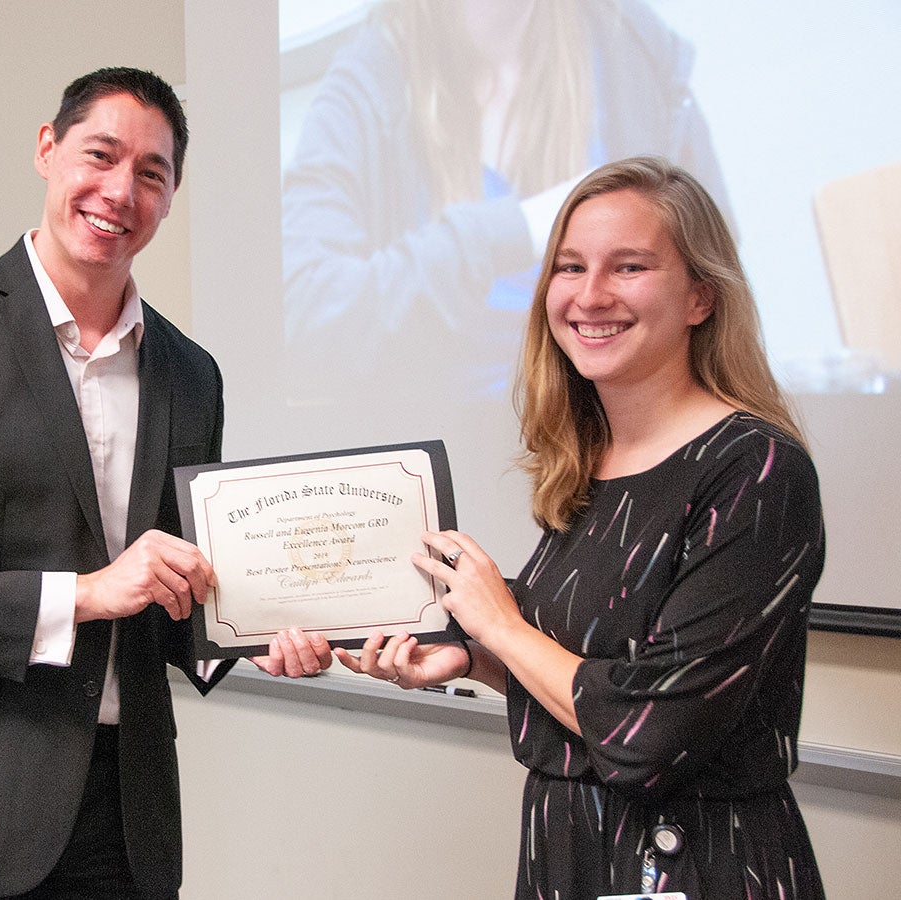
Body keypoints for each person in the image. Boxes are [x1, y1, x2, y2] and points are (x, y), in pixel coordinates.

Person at [0, 67, 330, 900]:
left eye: (151, 173)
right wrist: (84, 594)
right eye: (101, 155)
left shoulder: (192, 374)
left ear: (170, 197)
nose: (121, 191)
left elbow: (173, 599)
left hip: (124, 822)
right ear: (48, 149)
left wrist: (255, 633)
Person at [339, 157, 826, 899]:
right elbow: (593, 671)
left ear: (700, 296)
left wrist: (501, 627)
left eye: (629, 266)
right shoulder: (586, 463)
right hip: (566, 852)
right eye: (570, 267)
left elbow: (649, 730)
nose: (590, 295)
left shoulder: (756, 468)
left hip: (694, 865)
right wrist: (471, 657)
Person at [282, 0, 734, 402]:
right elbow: (309, 314)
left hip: (614, 422)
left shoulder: (629, 46)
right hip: (451, 432)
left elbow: (714, 282)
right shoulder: (368, 84)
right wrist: (518, 230)